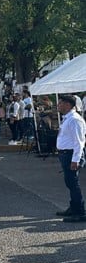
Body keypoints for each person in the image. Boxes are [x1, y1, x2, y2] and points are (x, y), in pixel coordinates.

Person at [55, 95, 86, 223]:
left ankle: (79, 212)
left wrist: (75, 160)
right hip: (65, 154)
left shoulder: (74, 119)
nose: (58, 105)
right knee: (69, 182)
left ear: (68, 105)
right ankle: (73, 207)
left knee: (73, 183)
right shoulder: (67, 118)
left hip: (70, 155)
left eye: (60, 103)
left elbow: (79, 142)